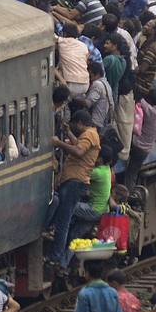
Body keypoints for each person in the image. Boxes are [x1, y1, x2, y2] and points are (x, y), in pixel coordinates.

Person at [46, 109, 101, 268]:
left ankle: (55, 256)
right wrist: (68, 132)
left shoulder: (90, 134)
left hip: (75, 182)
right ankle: (55, 252)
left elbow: (78, 151)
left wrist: (58, 143)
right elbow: (79, 144)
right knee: (64, 218)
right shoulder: (90, 134)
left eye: (74, 126)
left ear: (80, 123)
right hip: (74, 181)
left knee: (64, 220)